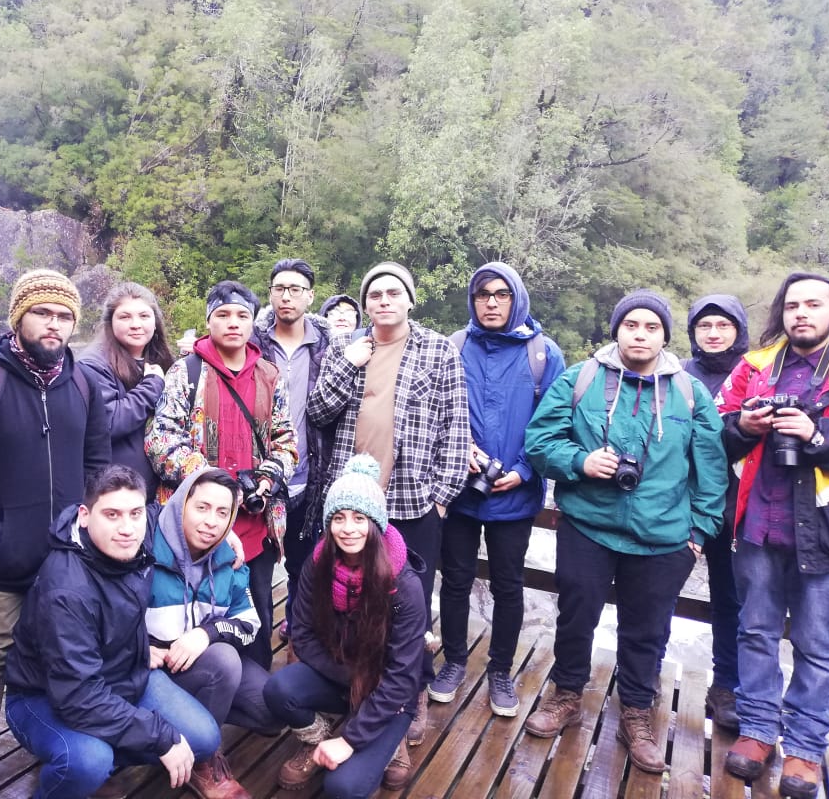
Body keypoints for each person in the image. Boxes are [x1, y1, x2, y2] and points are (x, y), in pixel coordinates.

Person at [524, 289, 726, 774]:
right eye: (631, 325)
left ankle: (636, 712)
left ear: (664, 336)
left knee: (648, 629)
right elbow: (539, 441)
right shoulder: (581, 379)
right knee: (576, 616)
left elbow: (712, 468)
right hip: (588, 526)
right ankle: (566, 694)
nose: (640, 334)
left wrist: (699, 533)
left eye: (651, 327)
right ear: (616, 330)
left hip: (663, 537)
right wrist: (579, 461)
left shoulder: (689, 393)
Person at [0, 269, 111, 799]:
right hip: (2, 556)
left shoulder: (83, 383)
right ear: (19, 316)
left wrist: (85, 533)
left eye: (64, 316)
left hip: (68, 557)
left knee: (70, 648)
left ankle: (64, 741)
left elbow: (97, 464)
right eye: (43, 313)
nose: (54, 325)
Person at [307, 260, 470, 744]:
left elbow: (455, 426)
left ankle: (411, 694)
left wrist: (441, 498)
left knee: (410, 604)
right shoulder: (346, 346)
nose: (383, 301)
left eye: (393, 292)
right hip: (353, 503)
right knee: (348, 596)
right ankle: (353, 685)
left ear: (410, 300)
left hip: (413, 500)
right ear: (365, 304)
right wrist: (348, 365)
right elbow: (318, 412)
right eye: (374, 294)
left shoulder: (438, 349)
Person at [5, 465, 220, 799]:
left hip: (121, 674)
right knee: (89, 761)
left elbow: (177, 514)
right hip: (44, 696)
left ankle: (99, 756)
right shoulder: (66, 591)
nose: (126, 528)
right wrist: (158, 736)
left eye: (135, 513)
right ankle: (82, 769)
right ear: (85, 515)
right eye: (112, 515)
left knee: (204, 738)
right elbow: (77, 696)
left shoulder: (138, 535)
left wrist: (226, 535)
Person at [716, 273, 829, 799]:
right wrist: (746, 428)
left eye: (813, 304)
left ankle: (805, 749)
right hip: (759, 523)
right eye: (792, 305)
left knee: (818, 644)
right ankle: (759, 730)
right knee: (755, 632)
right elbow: (716, 433)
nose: (801, 313)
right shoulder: (755, 366)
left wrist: (817, 436)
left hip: (823, 532)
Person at [433, 262, 565, 717]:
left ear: (517, 299)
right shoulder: (454, 346)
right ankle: (453, 661)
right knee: (455, 581)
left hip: (515, 494)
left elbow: (555, 422)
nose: (491, 302)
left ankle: (501, 670)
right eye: (482, 294)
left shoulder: (543, 354)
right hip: (461, 490)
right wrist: (460, 452)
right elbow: (438, 413)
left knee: (509, 585)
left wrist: (525, 471)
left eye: (501, 294)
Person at [146, 280, 297, 670]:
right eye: (223, 314)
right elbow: (161, 441)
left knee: (256, 614)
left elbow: (286, 441)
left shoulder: (269, 375)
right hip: (195, 525)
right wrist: (212, 482)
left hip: (254, 526)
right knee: (192, 613)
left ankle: (254, 691)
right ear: (209, 320)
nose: (233, 322)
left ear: (252, 322)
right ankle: (194, 687)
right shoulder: (186, 372)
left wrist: (266, 478)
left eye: (242, 315)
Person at [264, 455, 431, 797]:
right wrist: (353, 678)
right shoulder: (317, 565)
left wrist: (351, 739)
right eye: (339, 518)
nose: (348, 528)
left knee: (343, 787)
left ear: (375, 522)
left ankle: (386, 740)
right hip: (341, 673)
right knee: (279, 689)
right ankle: (320, 741)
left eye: (359, 518)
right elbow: (303, 635)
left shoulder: (404, 585)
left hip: (390, 691)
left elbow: (402, 675)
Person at [147, 468, 280, 799]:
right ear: (181, 504)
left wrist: (206, 633)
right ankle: (202, 758)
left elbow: (249, 622)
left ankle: (188, 723)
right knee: (225, 660)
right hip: (150, 672)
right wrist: (139, 646)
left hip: (196, 666)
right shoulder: (144, 547)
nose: (211, 522)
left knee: (275, 710)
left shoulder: (227, 558)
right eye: (202, 508)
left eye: (223, 513)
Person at [250, 259, 331, 643]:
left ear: (310, 296)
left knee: (305, 565)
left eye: (295, 289)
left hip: (309, 477)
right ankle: (255, 644)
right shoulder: (252, 342)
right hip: (260, 479)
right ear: (270, 294)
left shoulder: (329, 346)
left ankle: (299, 635)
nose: (287, 296)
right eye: (280, 288)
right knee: (257, 568)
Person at [682, 294, 749, 732]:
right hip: (680, 502)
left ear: (738, 331)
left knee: (731, 600)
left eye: (723, 325)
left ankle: (727, 686)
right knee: (658, 592)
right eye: (704, 325)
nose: (713, 333)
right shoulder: (678, 373)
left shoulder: (756, 375)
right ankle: (645, 674)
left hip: (737, 506)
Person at [82, 281, 175, 502]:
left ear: (155, 322)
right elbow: (108, 423)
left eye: (144, 316)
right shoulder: (92, 364)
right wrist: (151, 385)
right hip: (114, 491)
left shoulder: (160, 359)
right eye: (125, 317)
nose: (136, 324)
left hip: (157, 492)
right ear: (110, 322)